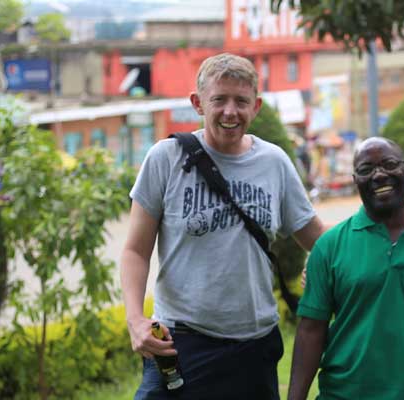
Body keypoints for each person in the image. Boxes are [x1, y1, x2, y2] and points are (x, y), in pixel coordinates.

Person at [120, 53, 325, 400]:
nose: (231, 112)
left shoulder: (274, 162)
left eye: (241, 101)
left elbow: (318, 238)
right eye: (219, 100)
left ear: (256, 106)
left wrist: (391, 226)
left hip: (253, 346)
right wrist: (134, 319)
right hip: (181, 344)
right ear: (198, 104)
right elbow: (134, 250)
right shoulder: (166, 158)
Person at [288, 137, 404, 400]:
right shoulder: (329, 246)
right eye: (366, 169)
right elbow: (310, 331)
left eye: (389, 164)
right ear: (355, 179)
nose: (379, 175)